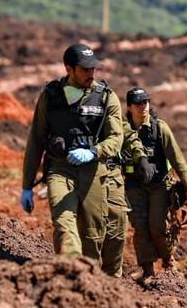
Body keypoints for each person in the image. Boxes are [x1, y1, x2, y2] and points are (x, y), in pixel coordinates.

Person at [20, 43, 154, 276]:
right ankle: (73, 272)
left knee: (93, 234)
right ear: (69, 69)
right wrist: (27, 186)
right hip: (60, 170)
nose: (91, 74)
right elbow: (36, 140)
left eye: (93, 69)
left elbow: (115, 138)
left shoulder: (106, 98)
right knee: (64, 223)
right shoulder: (50, 97)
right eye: (85, 69)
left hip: (94, 171)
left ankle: (94, 280)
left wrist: (93, 152)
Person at [122, 87, 187, 279]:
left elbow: (176, 157)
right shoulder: (122, 129)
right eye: (138, 103)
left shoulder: (159, 128)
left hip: (158, 185)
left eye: (145, 102)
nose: (143, 107)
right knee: (140, 226)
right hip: (134, 185)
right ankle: (147, 269)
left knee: (157, 225)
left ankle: (168, 259)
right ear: (129, 107)